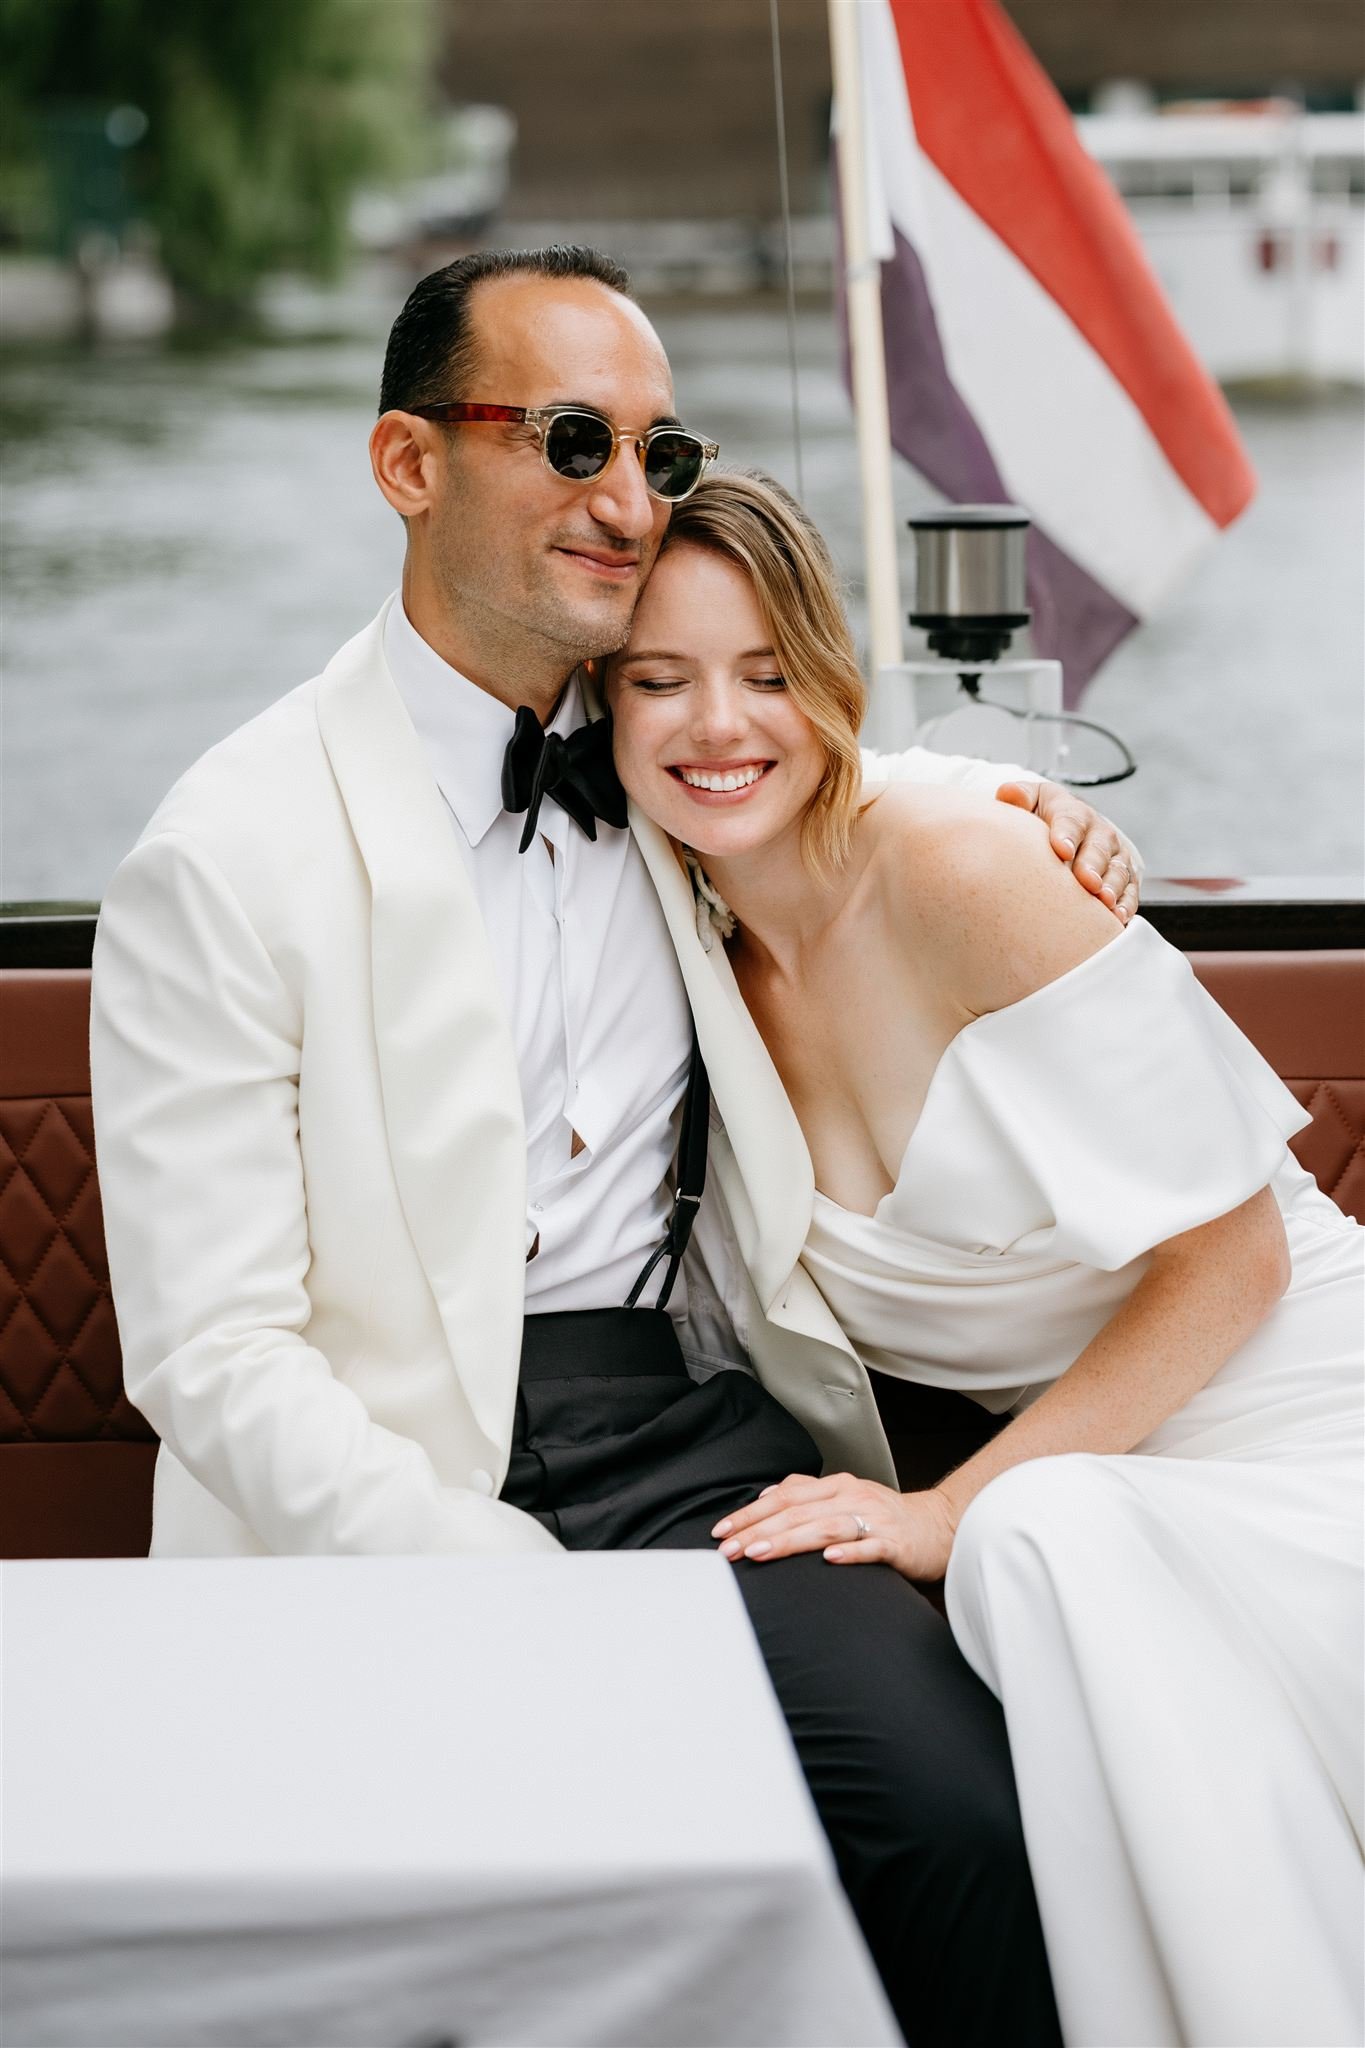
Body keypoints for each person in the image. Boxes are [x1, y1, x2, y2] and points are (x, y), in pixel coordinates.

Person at [90, 247, 1136, 2046]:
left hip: (683, 1431)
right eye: (572, 438)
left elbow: (833, 779)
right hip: (392, 1463)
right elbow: (211, 1353)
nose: (628, 500)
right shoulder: (224, 850)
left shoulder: (670, 752)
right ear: (408, 466)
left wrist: (1029, 809)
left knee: (965, 1813)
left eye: (662, 448)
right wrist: (482, 1575)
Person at [604, 466, 1365, 2048]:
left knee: (1034, 1547)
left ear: (827, 679)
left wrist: (949, 1510)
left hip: (1294, 1415)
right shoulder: (661, 934)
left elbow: (1235, 1269)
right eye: (655, 681)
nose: (713, 726)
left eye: (761, 674)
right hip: (1110, 1461)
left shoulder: (970, 863)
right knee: (1051, 1544)